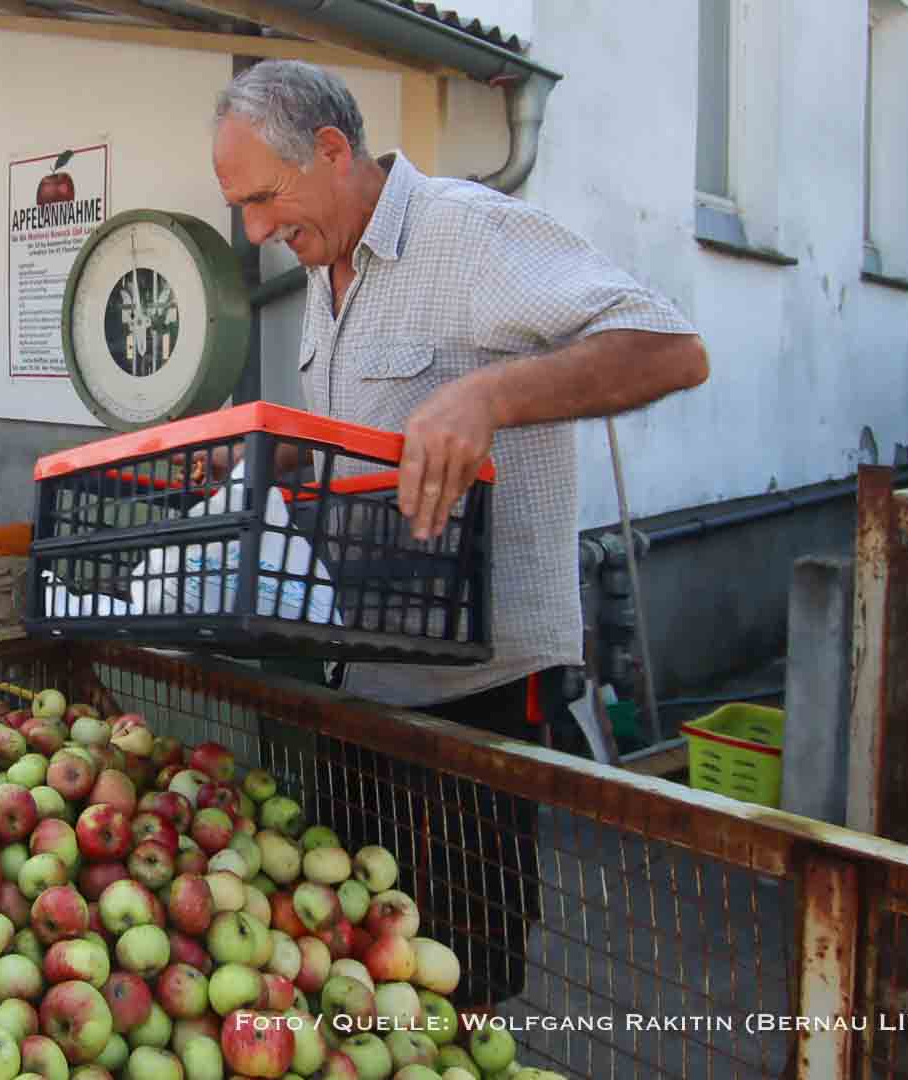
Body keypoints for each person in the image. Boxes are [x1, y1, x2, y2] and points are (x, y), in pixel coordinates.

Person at [209, 61, 709, 1008]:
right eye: (243, 207)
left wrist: (490, 392)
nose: (258, 232)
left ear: (330, 150)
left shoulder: (469, 231)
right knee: (351, 973)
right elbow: (383, 449)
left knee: (456, 984)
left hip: (473, 698)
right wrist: (293, 462)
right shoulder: (328, 270)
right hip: (361, 686)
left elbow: (672, 348)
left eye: (265, 199)